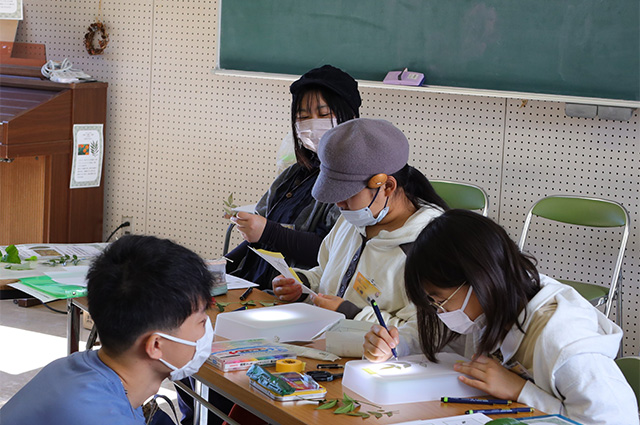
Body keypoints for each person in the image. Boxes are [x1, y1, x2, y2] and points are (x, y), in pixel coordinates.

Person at [364, 209, 638, 425]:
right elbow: (441, 339)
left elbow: (614, 420)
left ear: (478, 280)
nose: (439, 312)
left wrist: (520, 391)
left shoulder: (563, 342)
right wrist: (395, 345)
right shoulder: (488, 305)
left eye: (440, 300)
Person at [273, 118, 449, 356]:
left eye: (347, 195)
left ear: (386, 186)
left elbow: (425, 335)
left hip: (377, 365)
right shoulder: (353, 219)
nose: (339, 204)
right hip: (324, 345)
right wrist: (303, 285)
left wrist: (352, 314)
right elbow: (326, 274)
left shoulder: (430, 246)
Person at [0, 235, 213, 425]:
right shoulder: (102, 416)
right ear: (156, 345)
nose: (207, 333)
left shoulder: (69, 368)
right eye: (201, 322)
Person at [225, 64, 361, 290]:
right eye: (303, 116)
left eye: (324, 114)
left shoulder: (355, 181)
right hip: (255, 285)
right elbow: (258, 239)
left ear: (350, 117)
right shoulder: (293, 174)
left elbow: (335, 251)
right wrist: (220, 267)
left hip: (298, 294)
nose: (312, 123)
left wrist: (268, 231)